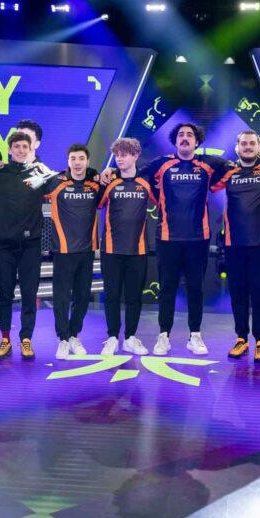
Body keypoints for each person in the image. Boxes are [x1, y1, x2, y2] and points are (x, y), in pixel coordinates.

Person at [103, 123, 231, 357]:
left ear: (197, 141)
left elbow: (235, 167)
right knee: (167, 289)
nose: (185, 138)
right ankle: (164, 336)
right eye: (181, 135)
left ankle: (195, 335)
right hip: (167, 237)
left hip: (198, 238)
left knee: (195, 288)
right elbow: (132, 172)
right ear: (175, 140)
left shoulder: (208, 164)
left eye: (189, 135)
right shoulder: (161, 164)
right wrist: (110, 170)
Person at [211, 130, 260, 363]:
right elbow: (210, 183)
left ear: (259, 147)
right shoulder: (229, 172)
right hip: (234, 244)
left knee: (259, 293)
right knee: (238, 292)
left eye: (252, 143)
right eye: (244, 143)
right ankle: (241, 338)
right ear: (237, 148)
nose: (248, 146)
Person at [39, 144, 102, 360]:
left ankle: (74, 335)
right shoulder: (56, 183)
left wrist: (103, 173)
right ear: (68, 162)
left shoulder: (95, 184)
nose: (77, 163)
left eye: (81, 158)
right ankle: (63, 339)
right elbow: (32, 185)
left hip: (87, 251)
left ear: (87, 161)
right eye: (73, 159)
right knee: (62, 298)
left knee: (82, 297)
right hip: (63, 251)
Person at [0, 131, 46, 362]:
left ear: (31, 149)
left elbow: (69, 179)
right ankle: (5, 339)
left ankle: (26, 339)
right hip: (3, 244)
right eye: (17, 146)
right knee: (4, 294)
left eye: (25, 146)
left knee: (29, 294)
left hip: (30, 245)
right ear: (10, 149)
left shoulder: (39, 173)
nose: (21, 150)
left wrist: (98, 174)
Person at [99, 138, 155, 356]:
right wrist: (105, 173)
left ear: (136, 156)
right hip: (111, 250)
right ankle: (112, 337)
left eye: (124, 155)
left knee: (134, 297)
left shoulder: (146, 182)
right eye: (117, 155)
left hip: (138, 250)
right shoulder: (109, 182)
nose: (119, 159)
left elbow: (162, 203)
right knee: (112, 295)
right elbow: (98, 204)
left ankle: (130, 337)